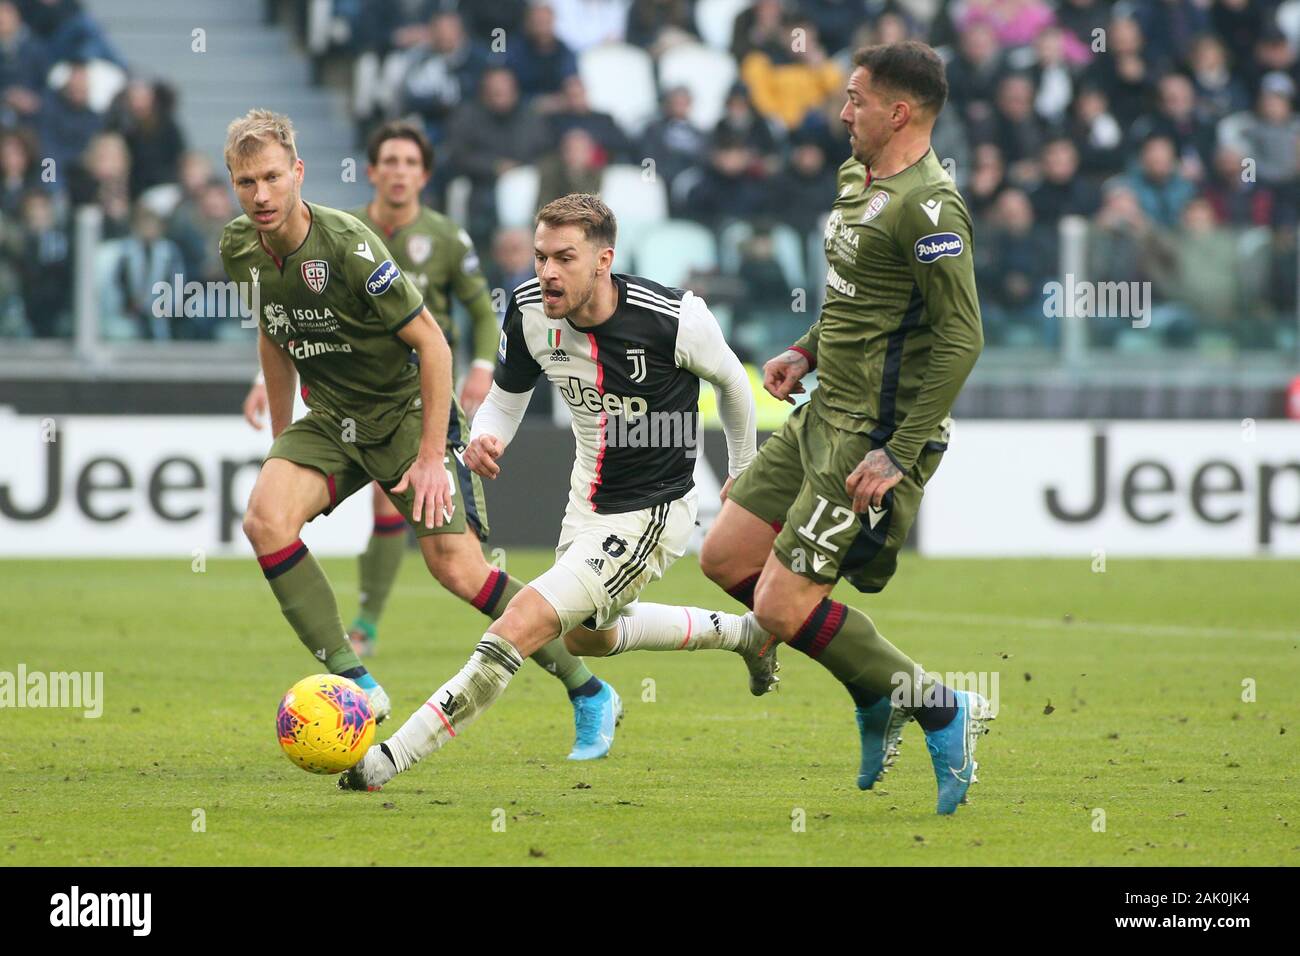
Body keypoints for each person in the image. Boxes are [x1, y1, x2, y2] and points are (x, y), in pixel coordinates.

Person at [339, 193, 778, 792]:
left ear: (603, 260)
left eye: (564, 258)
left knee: (520, 623)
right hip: (586, 501)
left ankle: (388, 760)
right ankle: (746, 634)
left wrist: (744, 468)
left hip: (653, 510)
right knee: (587, 639)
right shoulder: (527, 311)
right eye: (541, 255)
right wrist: (488, 438)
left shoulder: (674, 317)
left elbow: (734, 383)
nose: (547, 271)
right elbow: (505, 395)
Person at [222, 111, 620, 760]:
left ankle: (589, 689)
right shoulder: (237, 247)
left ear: (298, 173)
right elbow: (273, 328)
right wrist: (281, 435)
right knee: (266, 520)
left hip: (405, 415)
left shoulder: (349, 244)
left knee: (459, 571)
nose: (261, 195)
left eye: (271, 178)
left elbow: (434, 345)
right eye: (246, 182)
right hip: (330, 420)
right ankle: (359, 684)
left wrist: (434, 457)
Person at [697, 41, 992, 816]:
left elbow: (962, 338)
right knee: (724, 556)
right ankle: (873, 693)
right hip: (820, 412)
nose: (842, 110)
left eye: (856, 98)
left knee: (779, 608)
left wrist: (898, 453)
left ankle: (938, 708)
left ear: (899, 112)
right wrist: (807, 348)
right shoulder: (856, 179)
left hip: (873, 434)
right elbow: (858, 296)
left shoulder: (932, 208)